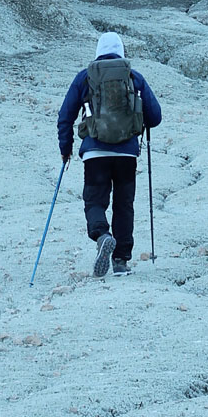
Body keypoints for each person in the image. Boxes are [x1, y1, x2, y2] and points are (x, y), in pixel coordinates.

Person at [57, 32, 162, 277]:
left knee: (95, 201)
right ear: (121, 50)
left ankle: (103, 235)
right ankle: (121, 261)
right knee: (124, 205)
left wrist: (66, 149)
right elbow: (155, 117)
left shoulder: (85, 78)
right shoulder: (134, 77)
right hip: (126, 154)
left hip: (95, 153)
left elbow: (65, 116)